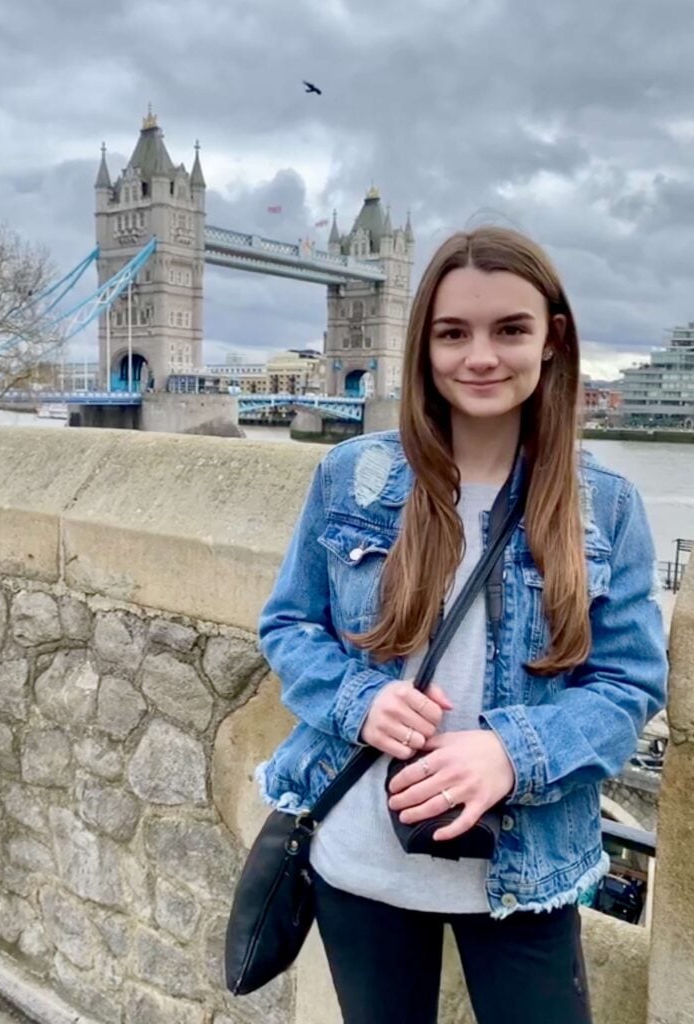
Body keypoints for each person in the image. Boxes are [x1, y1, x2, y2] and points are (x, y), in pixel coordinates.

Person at [255, 227, 667, 1024]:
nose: (481, 356)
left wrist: (510, 754)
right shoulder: (351, 475)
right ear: (423, 347)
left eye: (509, 329)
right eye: (453, 333)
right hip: (361, 856)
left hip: (529, 867)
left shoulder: (606, 504)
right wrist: (359, 701)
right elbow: (287, 627)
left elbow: (629, 684)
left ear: (552, 339)